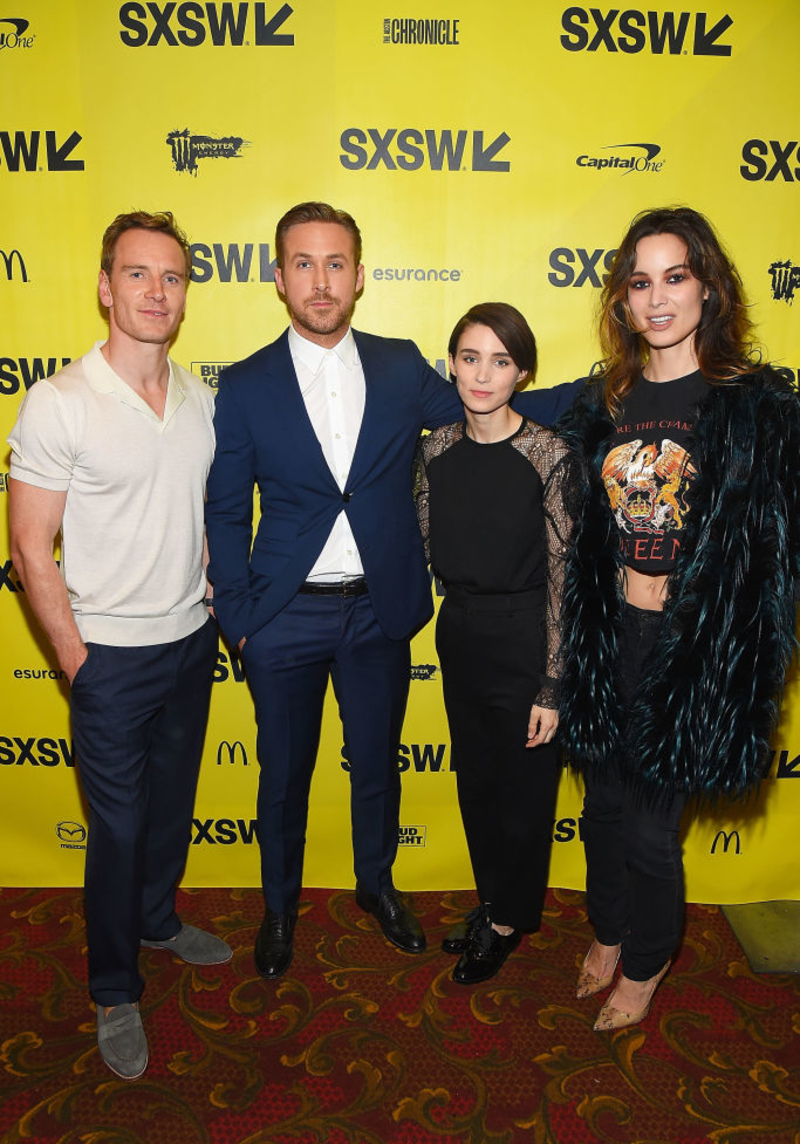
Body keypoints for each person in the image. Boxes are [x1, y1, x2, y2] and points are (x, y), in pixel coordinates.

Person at [204, 201, 578, 981]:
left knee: (376, 764)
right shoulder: (243, 384)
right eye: (302, 263)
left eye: (335, 263)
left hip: (379, 611)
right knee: (283, 773)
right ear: (277, 278)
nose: (320, 279)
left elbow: (495, 411)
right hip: (281, 615)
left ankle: (378, 887)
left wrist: (616, 383)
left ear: (361, 275)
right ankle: (278, 908)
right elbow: (228, 507)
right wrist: (239, 619)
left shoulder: (402, 364)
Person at [557, 206, 800, 1030]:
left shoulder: (753, 407)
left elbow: (776, 551)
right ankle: (610, 927)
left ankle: (649, 962)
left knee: (655, 833)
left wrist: (739, 643)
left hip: (690, 647)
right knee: (601, 810)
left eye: (675, 276)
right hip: (607, 636)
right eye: (640, 281)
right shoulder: (603, 402)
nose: (658, 298)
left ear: (708, 286)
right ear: (622, 299)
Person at [8, 211, 231, 1081]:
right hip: (108, 657)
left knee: (170, 809)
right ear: (105, 286)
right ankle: (113, 985)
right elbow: (31, 547)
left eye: (171, 277)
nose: (155, 291)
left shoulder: (200, 398)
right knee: (120, 825)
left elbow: (200, 511)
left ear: (184, 296)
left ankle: (156, 917)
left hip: (188, 643)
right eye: (137, 274)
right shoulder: (59, 400)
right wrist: (77, 663)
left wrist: (213, 591)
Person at [413, 304, 581, 983]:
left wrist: (551, 683)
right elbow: (426, 541)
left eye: (501, 360)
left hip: (526, 636)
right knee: (478, 784)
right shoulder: (434, 449)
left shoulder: (549, 454)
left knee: (524, 793)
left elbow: (563, 580)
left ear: (524, 372)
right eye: (470, 356)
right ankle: (495, 902)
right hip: (461, 633)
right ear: (450, 362)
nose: (483, 374)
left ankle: (511, 918)